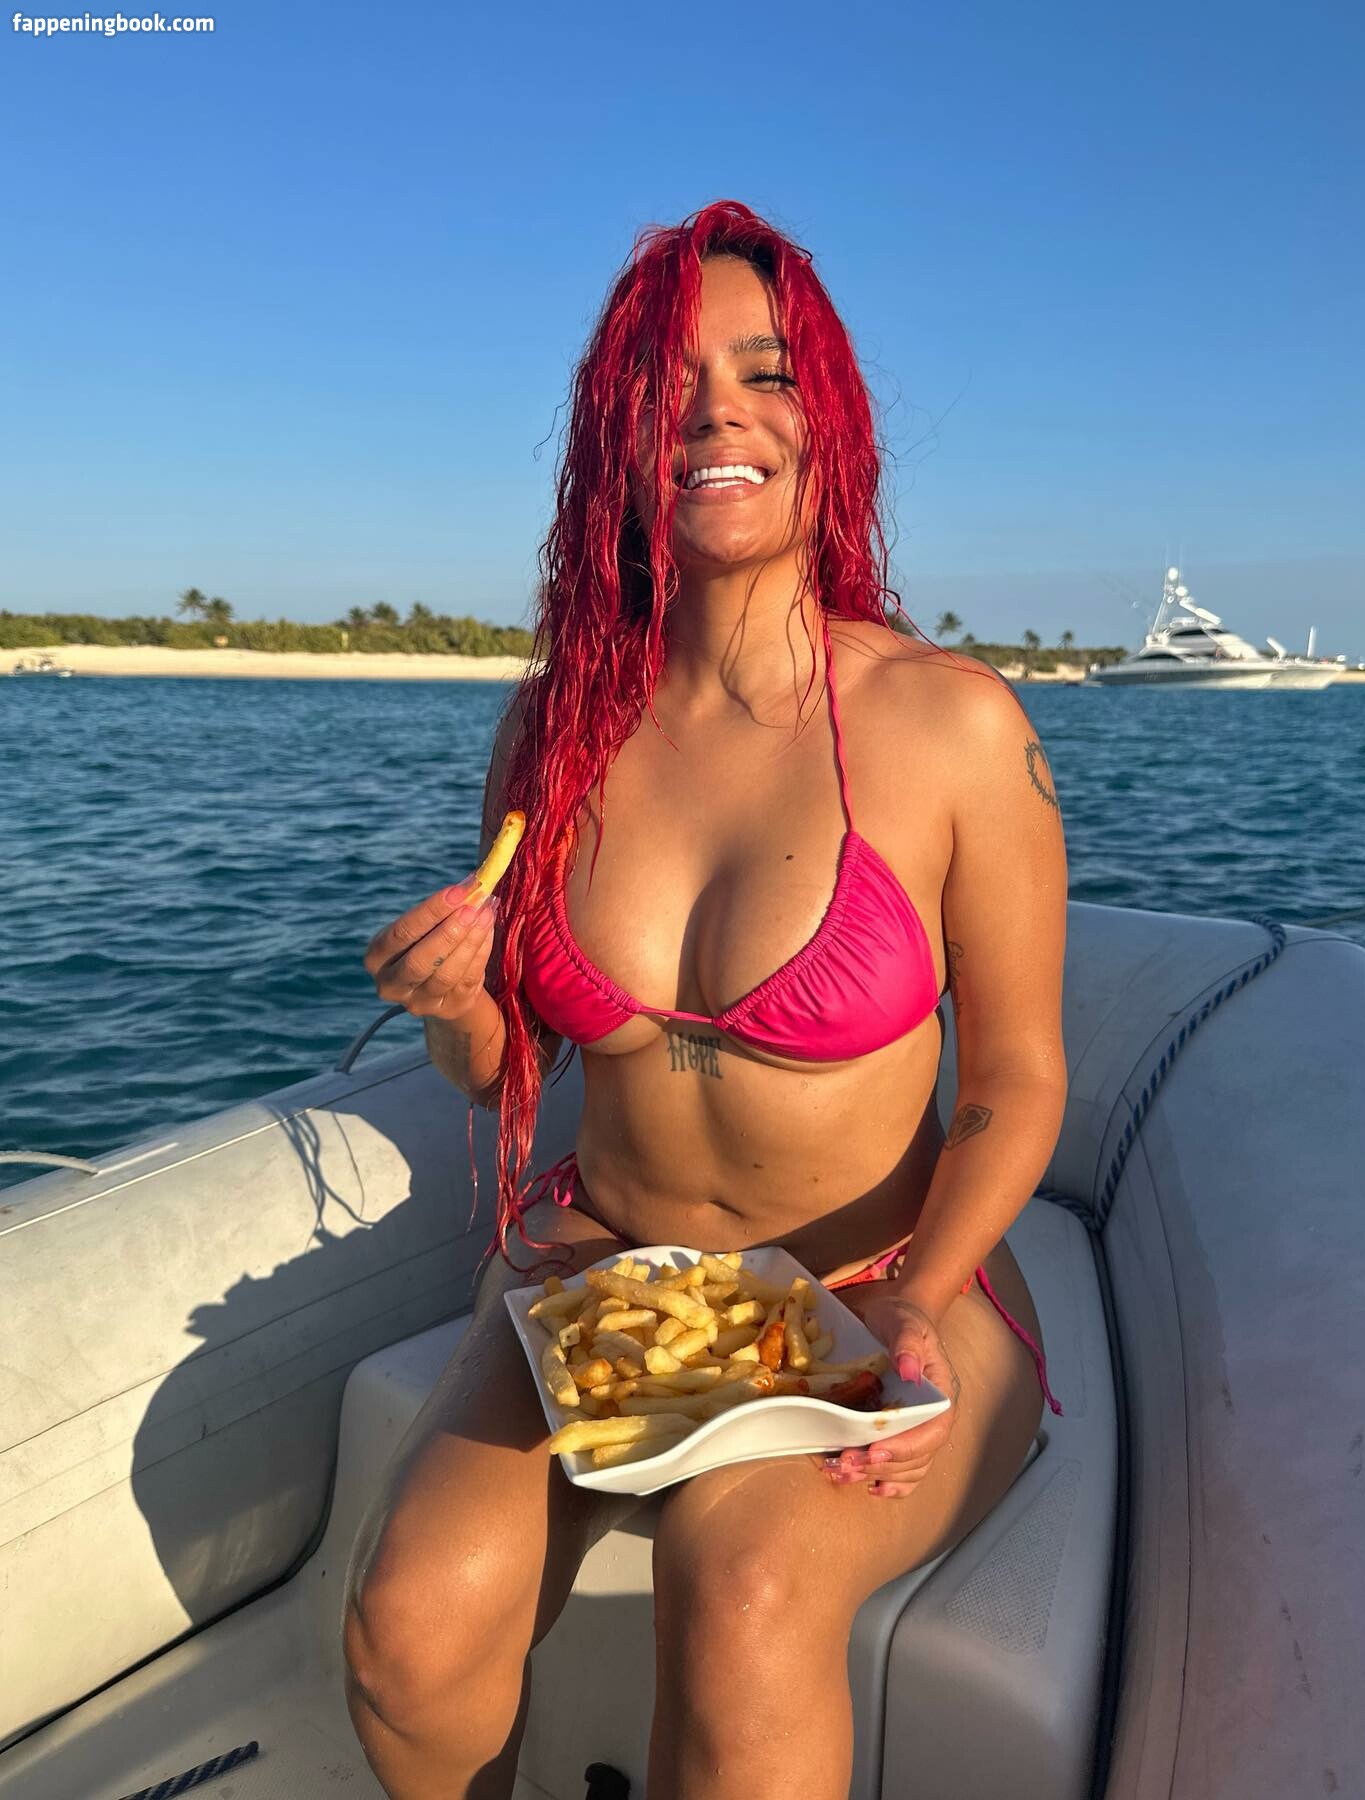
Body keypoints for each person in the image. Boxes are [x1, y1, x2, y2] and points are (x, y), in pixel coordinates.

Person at [344, 199, 1069, 1800]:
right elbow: (506, 1064)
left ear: (831, 421)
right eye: (667, 388)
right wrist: (452, 1005)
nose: (716, 415)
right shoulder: (552, 733)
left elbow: (1017, 1078)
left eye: (765, 374)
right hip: (614, 1271)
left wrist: (925, 1296)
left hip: (882, 1275)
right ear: (617, 440)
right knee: (409, 1630)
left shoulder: (952, 724)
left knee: (739, 1596)